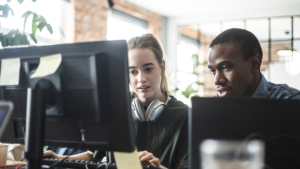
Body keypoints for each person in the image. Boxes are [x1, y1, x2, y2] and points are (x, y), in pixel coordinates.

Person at [44, 33, 189, 169]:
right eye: (133, 71)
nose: (141, 79)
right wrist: (57, 158)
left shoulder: (185, 117)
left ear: (162, 67)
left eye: (148, 69)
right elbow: (93, 156)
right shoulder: (116, 107)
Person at [207, 28, 300, 99]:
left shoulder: (289, 101)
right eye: (213, 71)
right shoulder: (213, 105)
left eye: (225, 67)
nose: (217, 80)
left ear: (254, 64)